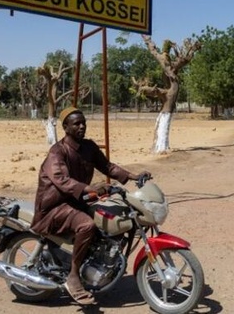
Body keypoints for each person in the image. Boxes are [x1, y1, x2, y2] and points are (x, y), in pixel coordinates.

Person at [30, 107, 150, 306]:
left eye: (83, 122)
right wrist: (90, 188)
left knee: (113, 218)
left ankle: (99, 264)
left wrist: (134, 176)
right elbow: (62, 180)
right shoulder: (57, 152)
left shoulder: (88, 147)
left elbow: (108, 167)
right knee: (87, 225)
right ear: (66, 127)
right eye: (76, 123)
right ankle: (74, 276)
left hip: (77, 201)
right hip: (54, 206)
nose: (81, 126)